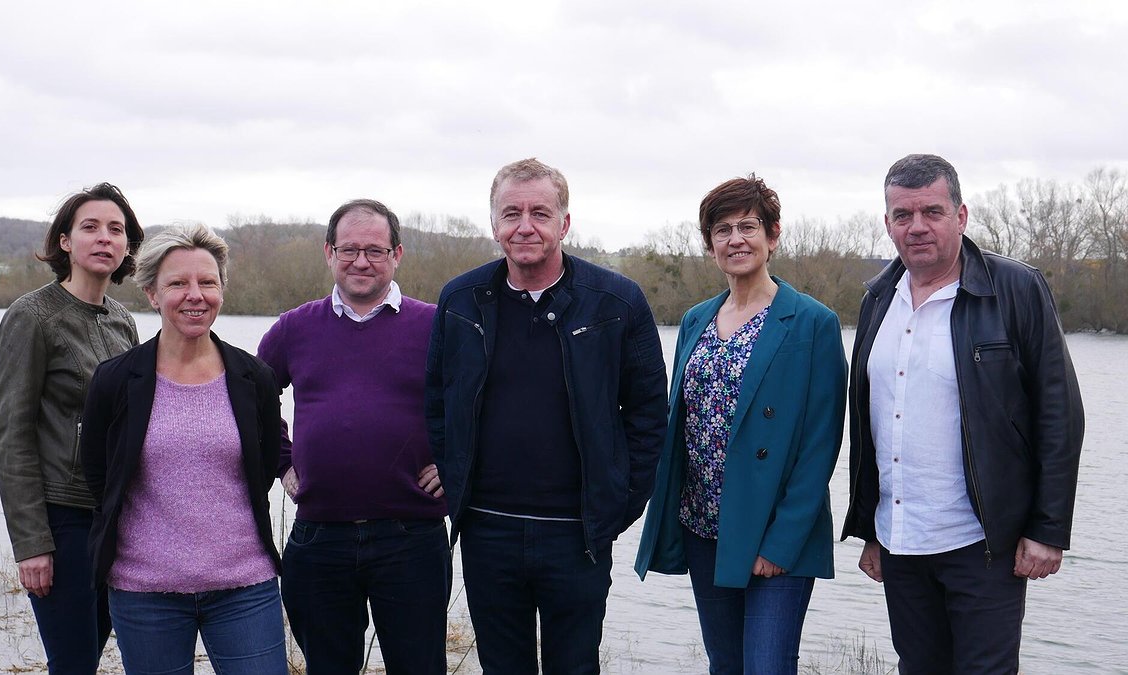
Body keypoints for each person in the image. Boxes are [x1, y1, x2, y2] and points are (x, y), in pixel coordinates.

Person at [841, 154, 1085, 673]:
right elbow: (872, 422)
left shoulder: (1016, 289)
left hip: (984, 543)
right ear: (888, 224)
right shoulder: (877, 299)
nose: (917, 227)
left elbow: (1059, 414)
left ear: (961, 215)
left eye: (932, 211)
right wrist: (871, 529)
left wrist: (1048, 528)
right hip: (901, 543)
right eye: (902, 216)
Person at [425, 157, 669, 674]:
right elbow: (438, 402)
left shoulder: (616, 303)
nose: (525, 226)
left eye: (540, 212)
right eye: (511, 213)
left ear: (565, 222)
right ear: (494, 225)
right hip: (488, 530)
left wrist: (617, 504)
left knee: (575, 666)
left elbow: (649, 415)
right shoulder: (460, 300)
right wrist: (455, 481)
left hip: (577, 532)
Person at [634, 175, 848, 674]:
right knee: (725, 666)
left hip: (775, 531)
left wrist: (780, 543)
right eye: (723, 230)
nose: (736, 239)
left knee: (768, 667)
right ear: (710, 245)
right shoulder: (695, 320)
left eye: (748, 227)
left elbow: (821, 443)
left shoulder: (812, 322)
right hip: (704, 525)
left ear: (772, 236)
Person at [81, 224, 288, 675]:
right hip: (144, 591)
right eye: (178, 283)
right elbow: (98, 472)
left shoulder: (255, 378)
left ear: (221, 290)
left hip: (245, 587)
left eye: (207, 282)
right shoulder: (115, 380)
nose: (195, 295)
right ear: (152, 294)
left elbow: (267, 461)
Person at [256, 199, 449, 674]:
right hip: (320, 539)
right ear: (329, 252)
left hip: (412, 538)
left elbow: (482, 404)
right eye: (349, 249)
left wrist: (455, 462)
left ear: (397, 255)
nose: (361, 261)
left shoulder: (436, 326)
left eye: (375, 250)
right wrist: (282, 461)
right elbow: (251, 400)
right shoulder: (294, 329)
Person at [0, 182, 143, 674]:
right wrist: (32, 543)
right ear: (65, 241)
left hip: (114, 519)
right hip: (63, 518)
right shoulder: (32, 316)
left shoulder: (122, 321)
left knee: (88, 656)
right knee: (74, 663)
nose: (105, 238)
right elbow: (11, 435)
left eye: (116, 229)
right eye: (91, 227)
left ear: (126, 246)